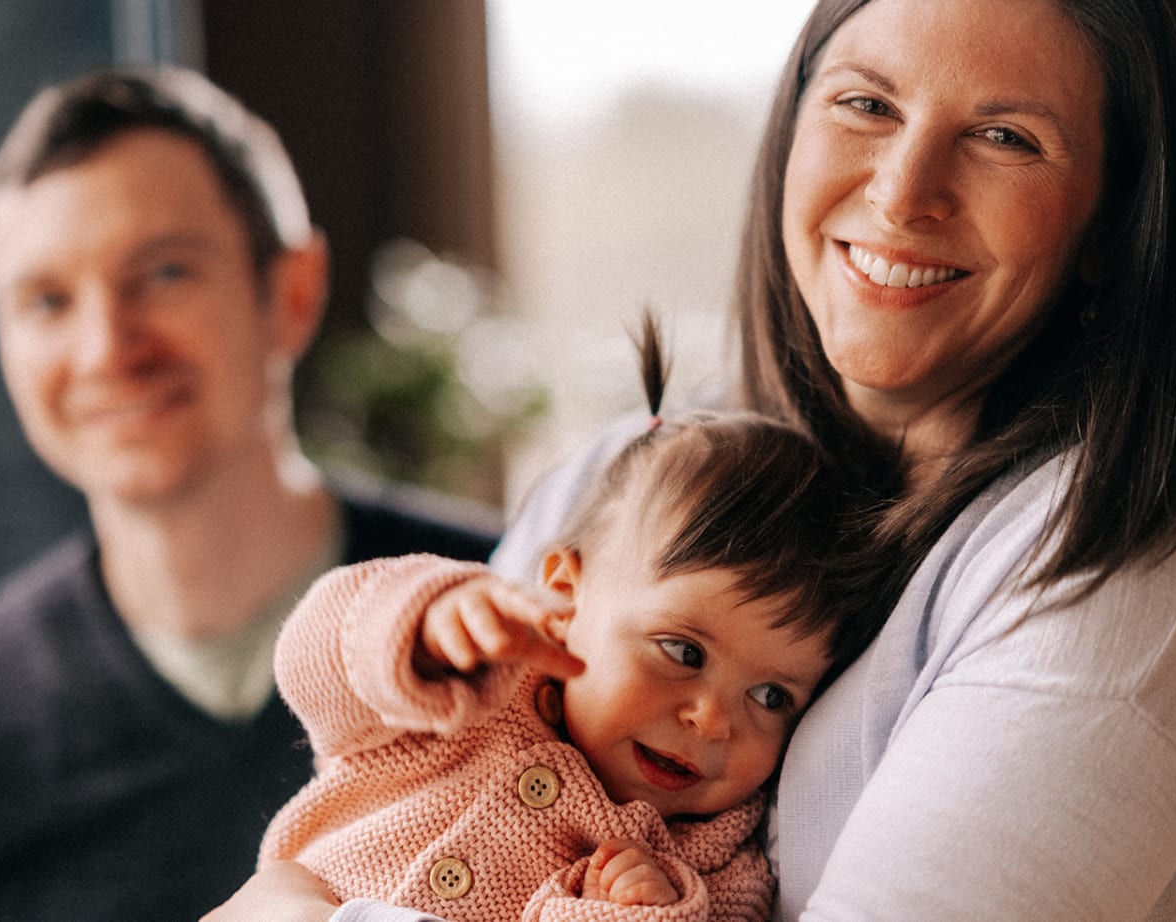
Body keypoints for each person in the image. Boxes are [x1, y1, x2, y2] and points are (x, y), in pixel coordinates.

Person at [207, 0, 1176, 919]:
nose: (902, 193)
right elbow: (360, 708)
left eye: (1002, 136)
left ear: (1118, 225)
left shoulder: (1136, 551)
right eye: (866, 105)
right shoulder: (636, 464)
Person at [0, 67, 499, 922]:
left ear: (293, 292)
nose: (105, 349)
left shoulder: (507, 610)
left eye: (162, 274)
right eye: (47, 301)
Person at [251, 318, 882, 922]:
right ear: (564, 597)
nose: (713, 720)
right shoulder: (464, 695)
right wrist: (422, 625)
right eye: (683, 652)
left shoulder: (716, 868)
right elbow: (313, 666)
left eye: (771, 695)